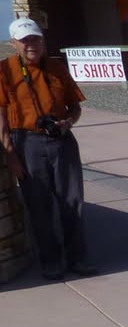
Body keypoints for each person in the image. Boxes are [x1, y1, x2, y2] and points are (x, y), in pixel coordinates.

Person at [0, 17, 92, 280]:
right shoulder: (4, 71)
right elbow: (2, 117)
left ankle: (78, 258)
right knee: (38, 207)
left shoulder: (56, 67)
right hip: (26, 143)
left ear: (43, 40)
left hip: (61, 142)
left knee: (72, 202)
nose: (32, 45)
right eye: (25, 40)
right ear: (13, 43)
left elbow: (75, 106)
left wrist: (68, 123)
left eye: (35, 39)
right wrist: (11, 157)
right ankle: (51, 262)